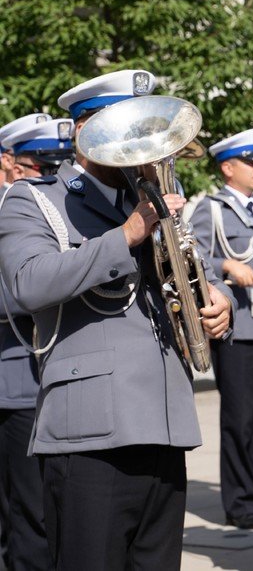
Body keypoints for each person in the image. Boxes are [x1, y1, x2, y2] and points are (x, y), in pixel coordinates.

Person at [0, 70, 233, 570]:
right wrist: (125, 236)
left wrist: (219, 302)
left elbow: (195, 275)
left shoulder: (151, 201)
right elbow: (28, 282)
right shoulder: (35, 199)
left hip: (165, 422)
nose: (144, 147)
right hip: (90, 430)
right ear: (86, 132)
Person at [188, 128, 253, 530]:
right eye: (251, 161)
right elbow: (189, 253)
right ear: (228, 168)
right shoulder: (211, 208)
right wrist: (226, 266)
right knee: (240, 418)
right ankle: (240, 501)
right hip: (238, 327)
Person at [0, 112, 74, 571]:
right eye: (40, 166)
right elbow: (19, 291)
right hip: (17, 379)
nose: (51, 178)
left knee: (51, 509)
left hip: (59, 375)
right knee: (27, 512)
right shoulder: (16, 211)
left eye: (57, 166)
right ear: (8, 161)